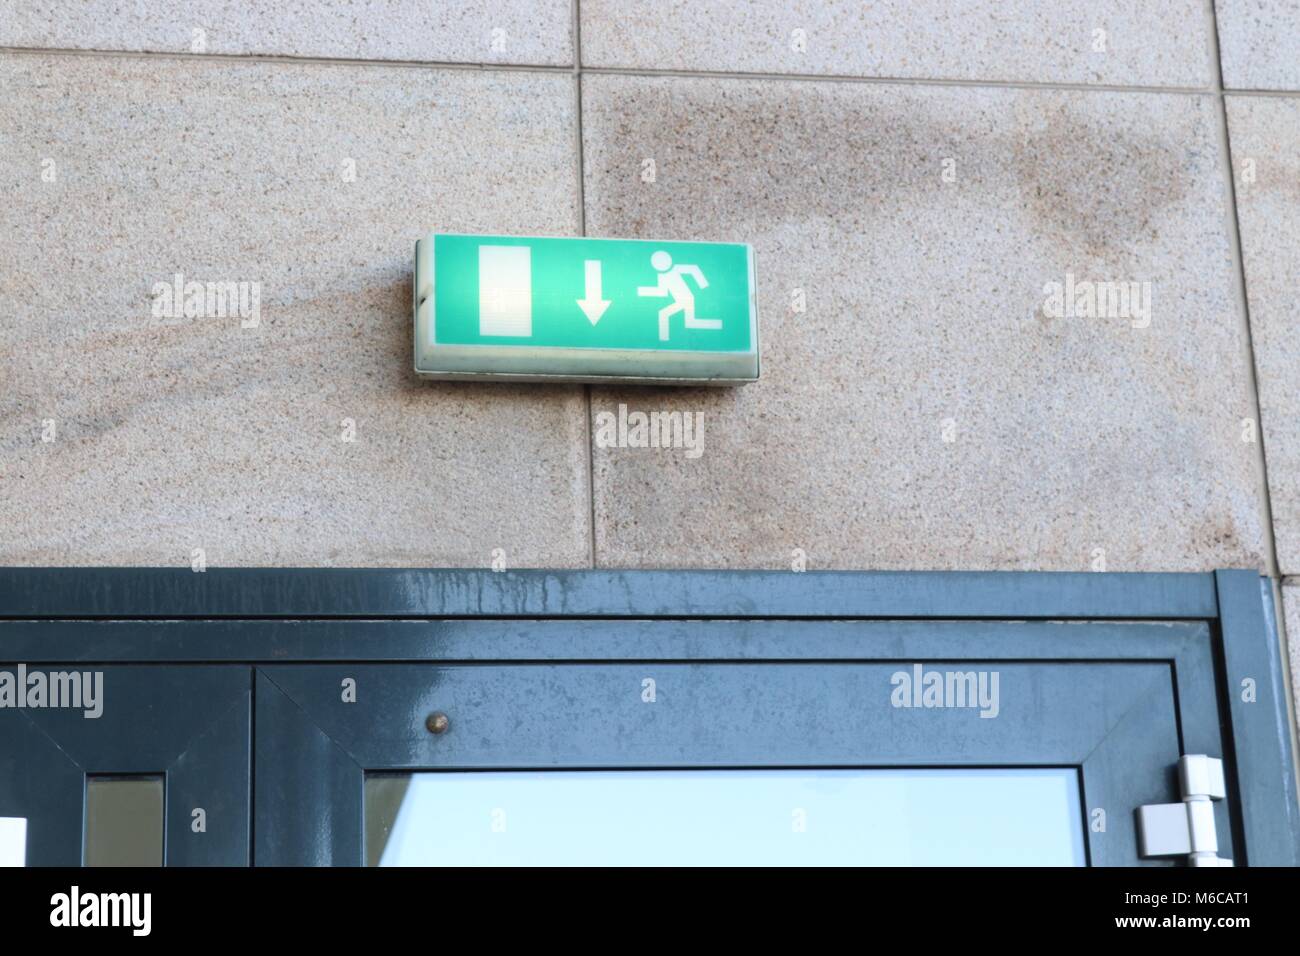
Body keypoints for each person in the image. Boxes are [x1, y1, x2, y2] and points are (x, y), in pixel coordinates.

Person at [637, 250, 721, 341]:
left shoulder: (676, 268)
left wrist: (703, 283)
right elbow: (662, 292)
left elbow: (693, 269)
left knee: (664, 314)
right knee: (690, 321)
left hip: (685, 299)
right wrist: (643, 291)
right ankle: (715, 323)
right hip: (683, 300)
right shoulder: (662, 276)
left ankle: (664, 339)